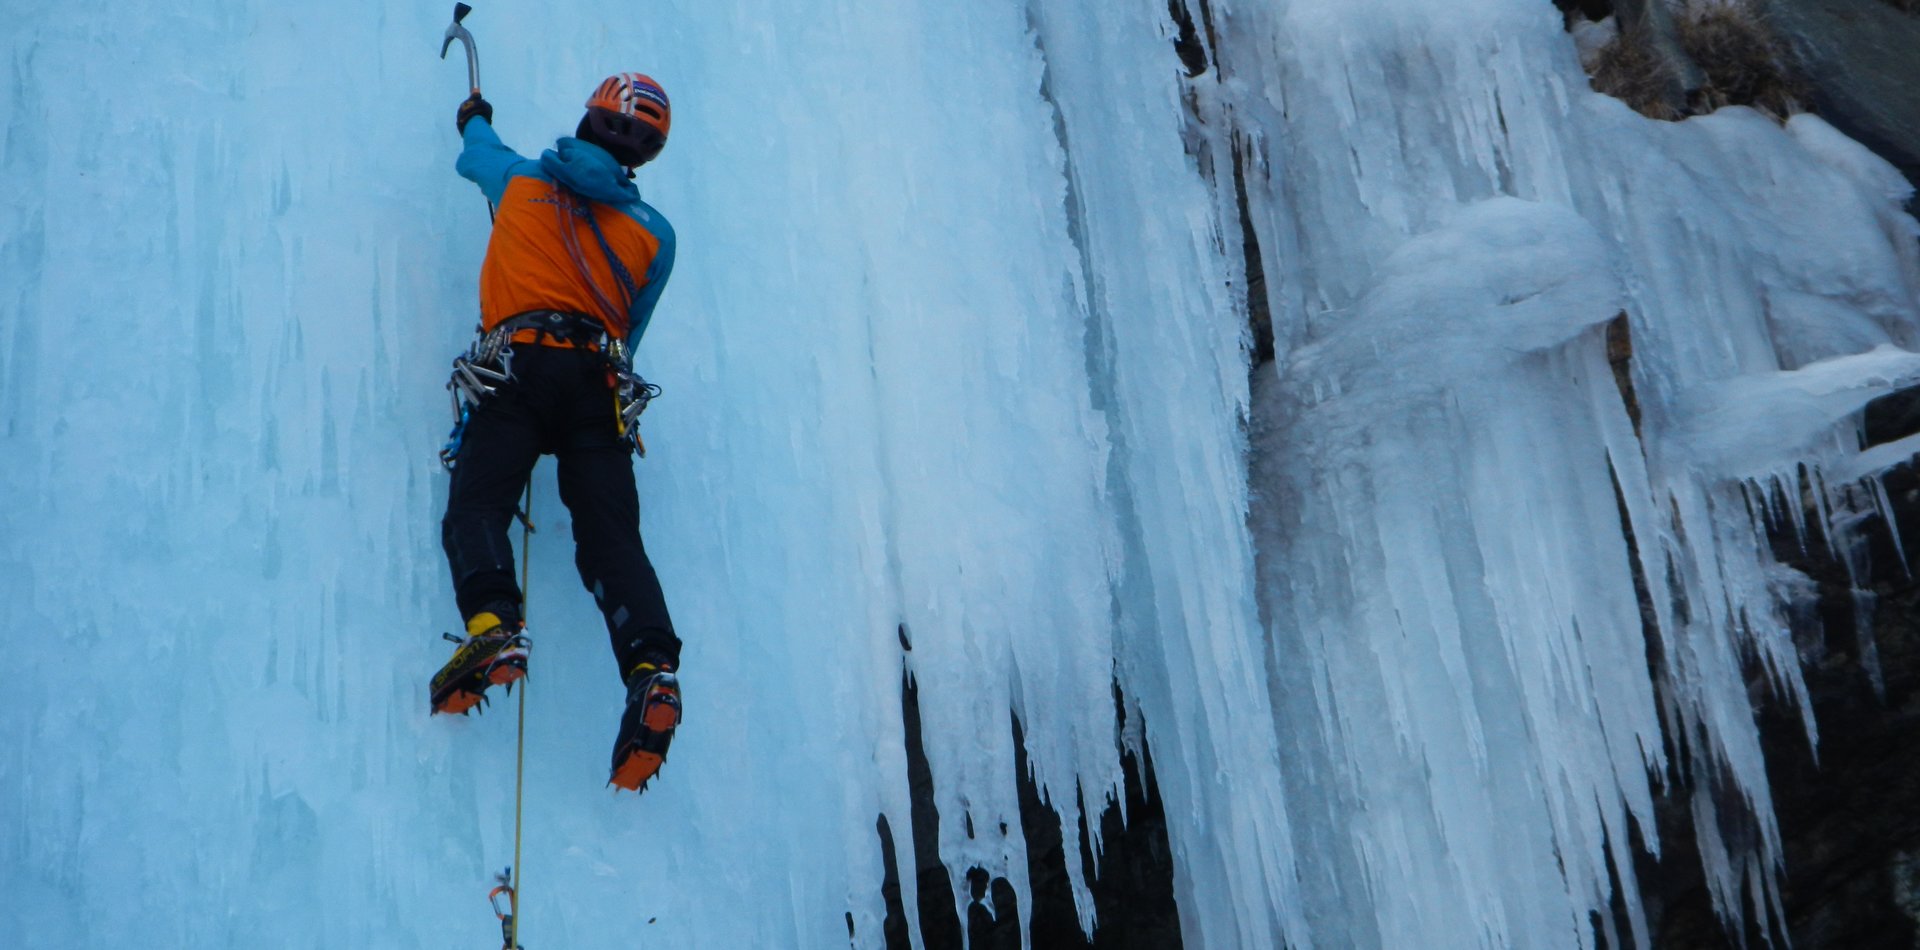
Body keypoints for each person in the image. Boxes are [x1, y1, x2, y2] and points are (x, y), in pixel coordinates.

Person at [428, 73, 682, 793]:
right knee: (611, 540)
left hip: (517, 369)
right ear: (645, 157)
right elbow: (632, 326)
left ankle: (493, 627)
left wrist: (474, 115)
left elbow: (476, 153)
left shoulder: (517, 183)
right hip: (596, 383)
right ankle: (650, 672)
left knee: (478, 507)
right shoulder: (653, 234)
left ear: (586, 119)